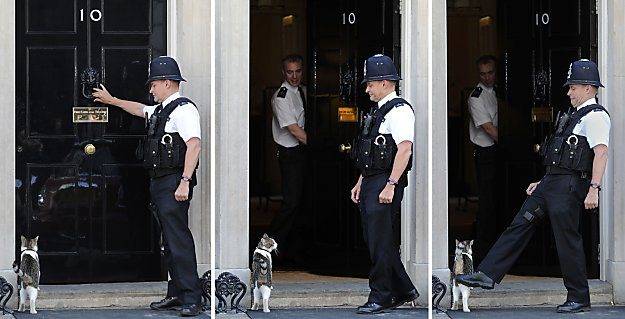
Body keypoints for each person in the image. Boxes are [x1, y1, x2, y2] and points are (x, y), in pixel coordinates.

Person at [457, 59, 611, 314]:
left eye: (573, 87)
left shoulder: (595, 117)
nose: (569, 92)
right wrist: (543, 180)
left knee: (567, 239)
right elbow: (562, 155)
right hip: (552, 182)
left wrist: (594, 188)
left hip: (570, 186)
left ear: (588, 88)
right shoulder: (572, 115)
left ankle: (579, 296)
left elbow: (601, 153)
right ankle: (487, 274)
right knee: (520, 223)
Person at [92, 56, 203, 317]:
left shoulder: (184, 110)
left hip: (174, 182)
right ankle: (176, 293)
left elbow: (194, 144)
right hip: (161, 183)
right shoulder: (164, 108)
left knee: (179, 241)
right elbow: (140, 109)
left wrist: (184, 181)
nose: (150, 89)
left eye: (153, 84)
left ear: (167, 83)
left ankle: (192, 298)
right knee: (169, 241)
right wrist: (113, 101)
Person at [350, 54, 419, 314]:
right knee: (377, 239)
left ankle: (380, 295)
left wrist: (391, 184)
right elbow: (370, 152)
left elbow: (404, 150)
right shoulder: (380, 111)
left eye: (370, 83)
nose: (367, 89)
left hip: (384, 182)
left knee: (379, 241)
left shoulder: (400, 110)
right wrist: (361, 181)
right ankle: (403, 289)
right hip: (372, 180)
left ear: (385, 82)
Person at [269, 54, 307, 260]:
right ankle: (266, 247)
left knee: (302, 201)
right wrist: (320, 146)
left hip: (302, 153)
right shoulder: (281, 96)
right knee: (290, 203)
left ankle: (294, 248)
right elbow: (294, 130)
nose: (294, 76)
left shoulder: (302, 91)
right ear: (283, 73)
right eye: (290, 72)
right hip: (290, 154)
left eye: (298, 71)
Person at [467, 55, 499, 259]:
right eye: (483, 74)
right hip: (486, 153)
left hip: (499, 153)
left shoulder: (498, 92)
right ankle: (484, 251)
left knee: (499, 201)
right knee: (487, 201)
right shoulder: (476, 96)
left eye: (490, 73)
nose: (487, 78)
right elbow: (489, 129)